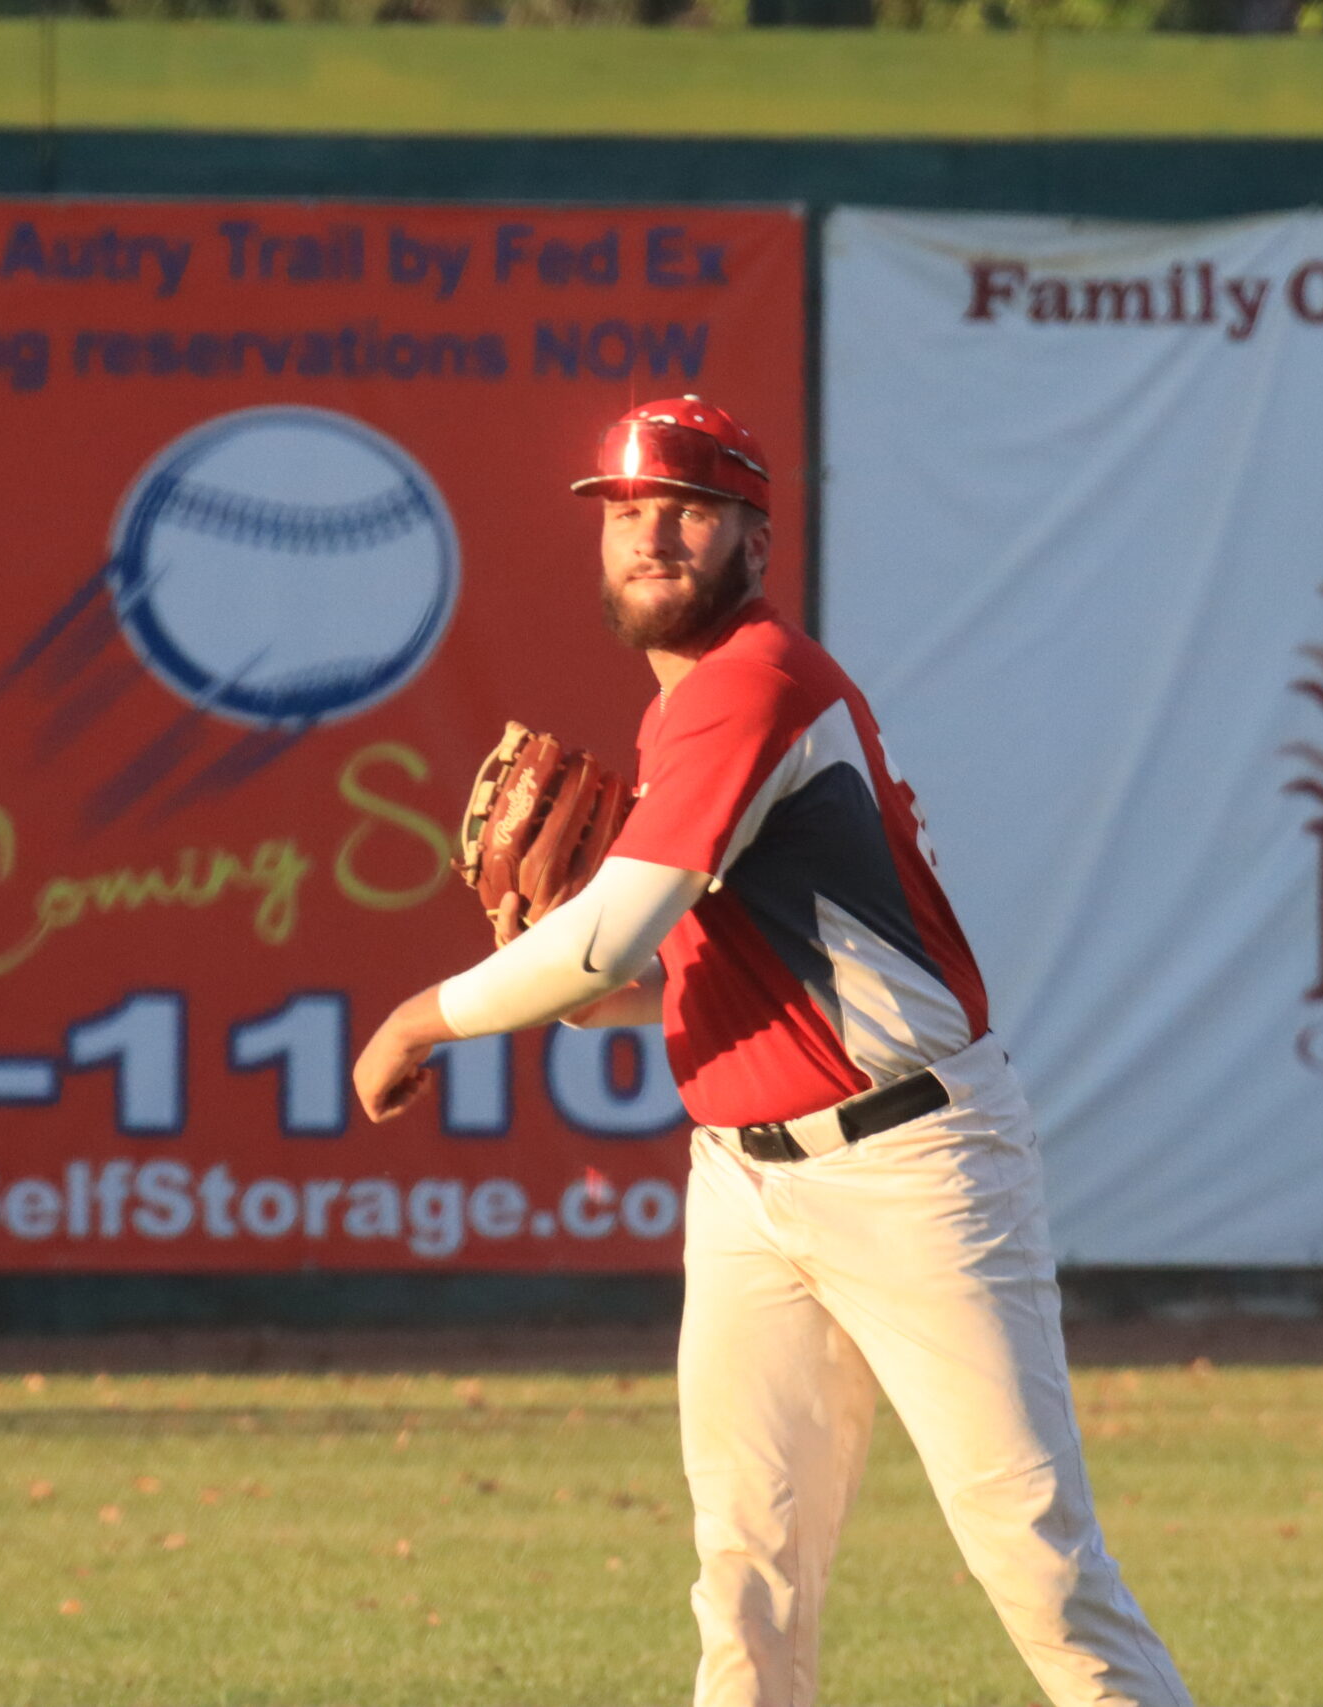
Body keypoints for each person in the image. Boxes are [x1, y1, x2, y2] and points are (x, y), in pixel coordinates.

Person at [353, 397, 1193, 1707]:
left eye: (688, 510)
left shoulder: (754, 682)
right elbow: (678, 966)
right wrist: (605, 1002)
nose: (651, 537)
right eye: (626, 514)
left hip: (914, 1165)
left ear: (754, 536)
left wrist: (424, 1019)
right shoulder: (698, 713)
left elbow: (609, 930)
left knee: (1036, 1560)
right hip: (748, 1180)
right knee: (746, 1575)